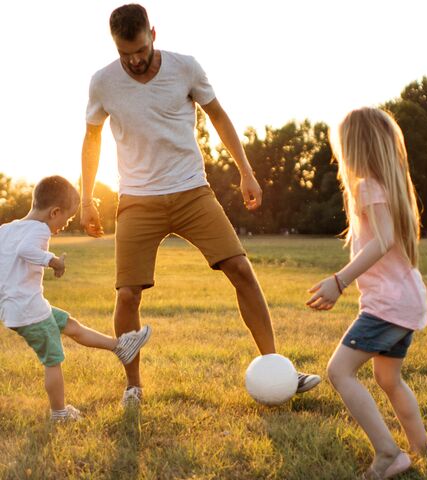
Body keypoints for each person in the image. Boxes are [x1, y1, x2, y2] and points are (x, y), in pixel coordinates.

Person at [80, 3, 320, 405]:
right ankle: (133, 385)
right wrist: (86, 197)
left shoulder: (185, 67)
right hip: (138, 199)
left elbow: (219, 116)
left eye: (140, 49)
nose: (135, 61)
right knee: (127, 295)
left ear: (153, 34)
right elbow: (92, 138)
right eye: (126, 54)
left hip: (192, 190)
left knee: (241, 269)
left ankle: (278, 368)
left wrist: (246, 171)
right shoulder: (103, 82)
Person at [306, 108, 427, 479]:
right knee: (389, 380)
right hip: (405, 302)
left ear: (354, 148)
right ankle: (423, 450)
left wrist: (339, 281)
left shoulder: (368, 187)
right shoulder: (387, 187)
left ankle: (389, 454)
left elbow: (382, 242)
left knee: (339, 372)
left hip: (388, 306)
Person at [0, 176, 152, 421]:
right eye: (67, 218)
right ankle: (59, 413)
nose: (65, 224)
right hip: (30, 311)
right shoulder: (39, 229)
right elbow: (25, 251)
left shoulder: (7, 229)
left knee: (69, 324)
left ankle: (120, 347)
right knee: (53, 360)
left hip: (16, 309)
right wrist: (53, 261)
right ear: (54, 212)